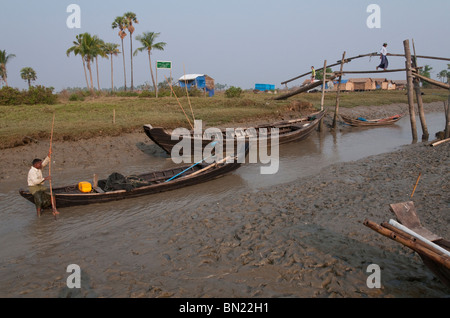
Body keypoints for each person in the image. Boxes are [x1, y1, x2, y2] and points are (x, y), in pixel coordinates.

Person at [27, 151, 57, 216]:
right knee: (39, 200)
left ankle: (54, 209)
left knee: (52, 194)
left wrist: (48, 156)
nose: (41, 165)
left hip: (40, 185)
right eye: (39, 164)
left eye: (40, 164)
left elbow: (44, 163)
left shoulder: (39, 168)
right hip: (33, 187)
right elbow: (35, 181)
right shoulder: (32, 171)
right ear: (35, 165)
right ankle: (39, 214)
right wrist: (45, 178)